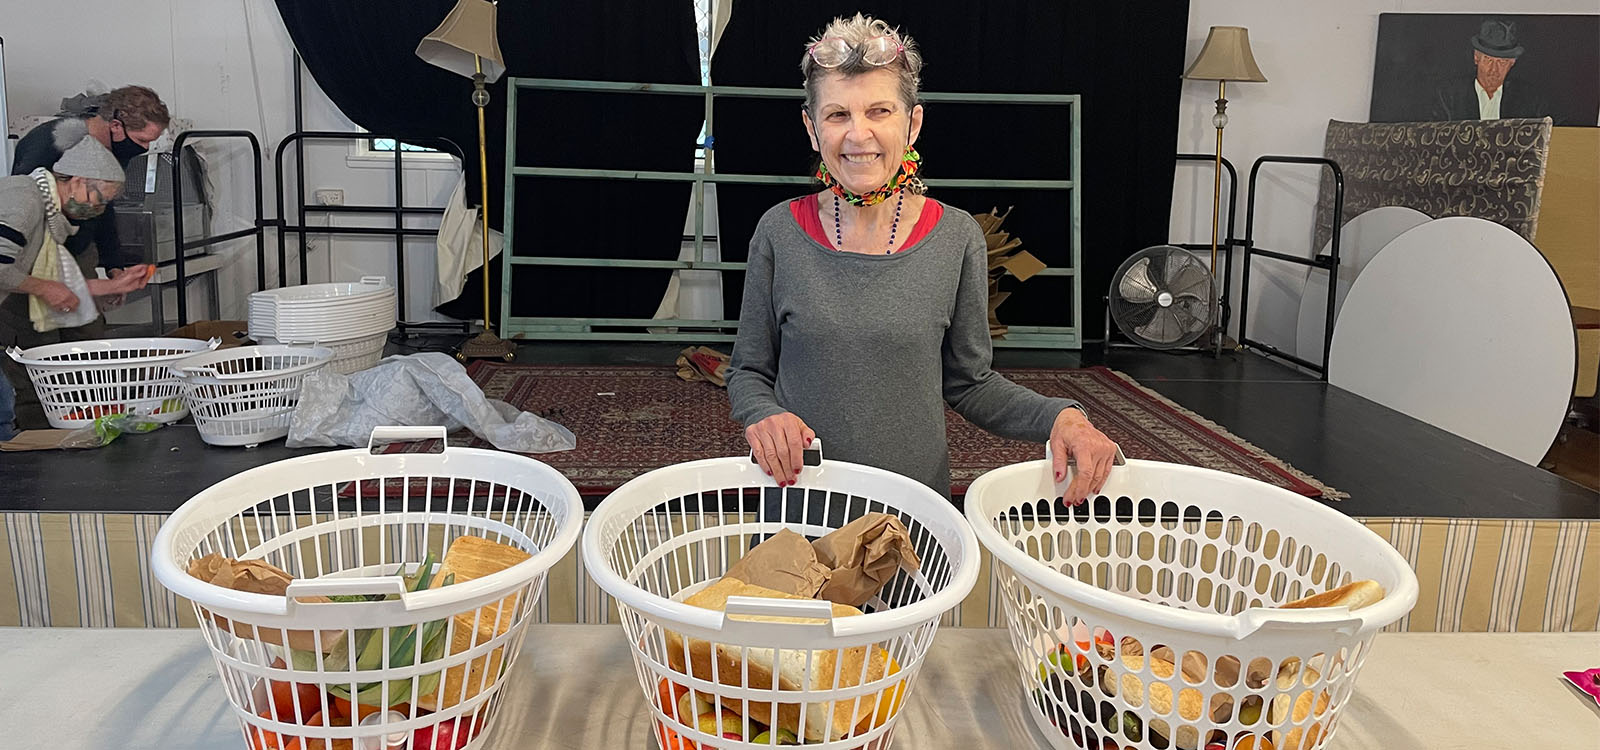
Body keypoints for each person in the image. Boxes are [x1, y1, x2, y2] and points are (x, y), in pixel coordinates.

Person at [727, 14, 1119, 504]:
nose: (858, 134)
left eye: (879, 111)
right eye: (837, 115)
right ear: (811, 128)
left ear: (912, 123)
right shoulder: (778, 232)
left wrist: (1060, 416)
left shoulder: (957, 238)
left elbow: (971, 383)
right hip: (797, 507)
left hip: (912, 514)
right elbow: (748, 370)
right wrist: (763, 414)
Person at [0, 137, 150, 438]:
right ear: (78, 181)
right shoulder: (24, 200)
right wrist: (44, 288)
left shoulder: (48, 214)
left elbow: (50, 277)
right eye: (99, 198)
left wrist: (111, 286)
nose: (98, 208)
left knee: (4, 407)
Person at [9, 85, 168, 319]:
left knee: (86, 334)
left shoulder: (115, 150)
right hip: (34, 256)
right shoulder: (50, 142)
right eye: (142, 140)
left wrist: (114, 266)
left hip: (79, 251)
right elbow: (24, 207)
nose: (144, 149)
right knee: (40, 341)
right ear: (116, 126)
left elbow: (104, 210)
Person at [1431, 19, 1547, 121]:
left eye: (1502, 62)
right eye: (1488, 60)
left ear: (1512, 63)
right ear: (1476, 58)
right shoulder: (1448, 96)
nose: (1494, 70)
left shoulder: (1529, 98)